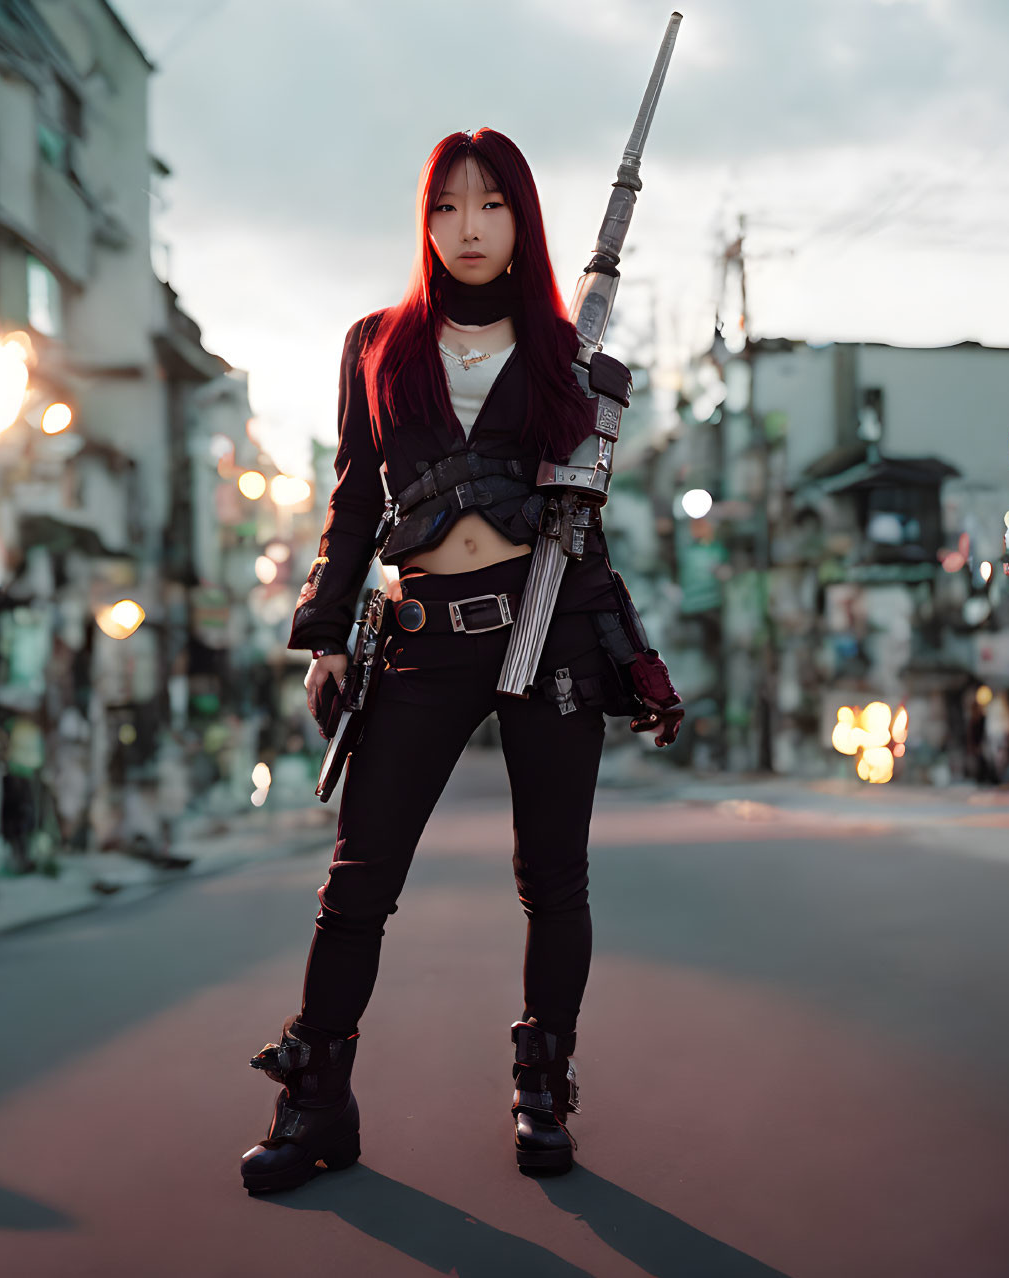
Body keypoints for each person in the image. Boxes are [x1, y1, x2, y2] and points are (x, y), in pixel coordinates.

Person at [240, 129, 683, 1194]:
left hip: (550, 632)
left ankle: (541, 1092)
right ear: (424, 219)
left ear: (522, 220)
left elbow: (582, 522)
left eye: (490, 205)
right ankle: (315, 1105)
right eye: (446, 206)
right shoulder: (376, 342)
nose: (468, 227)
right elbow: (353, 498)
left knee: (554, 881)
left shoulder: (570, 356)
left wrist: (632, 653)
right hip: (423, 634)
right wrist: (328, 635)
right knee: (356, 885)